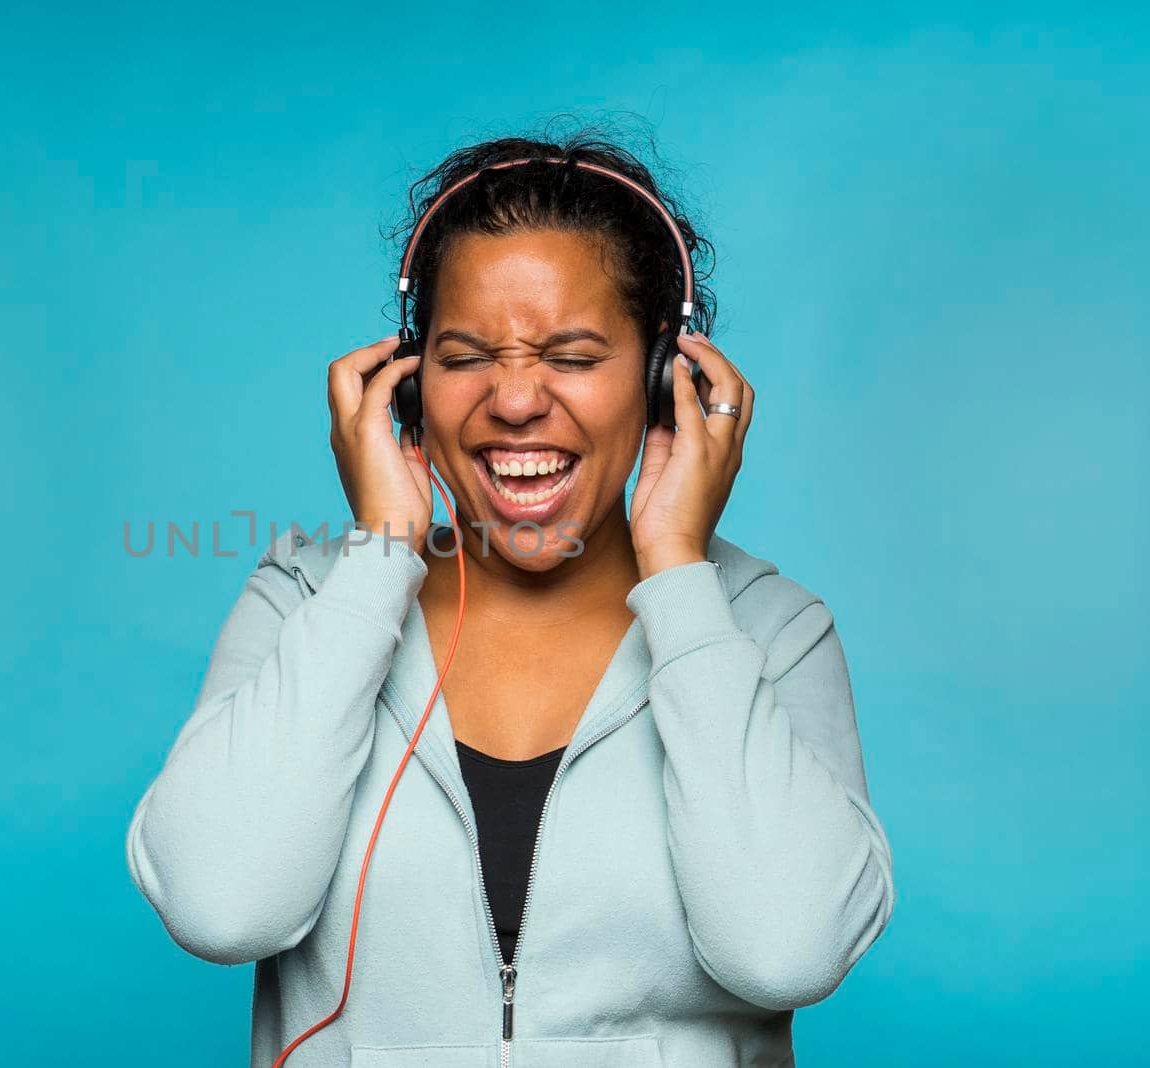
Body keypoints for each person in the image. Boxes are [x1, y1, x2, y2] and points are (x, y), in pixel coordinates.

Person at [126, 126, 896, 1068]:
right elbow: (221, 905)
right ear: (404, 391)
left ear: (667, 382)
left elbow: (785, 952)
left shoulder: (770, 630)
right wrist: (378, 560)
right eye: (463, 357)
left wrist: (680, 575)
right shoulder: (305, 598)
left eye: (573, 356)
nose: (516, 400)